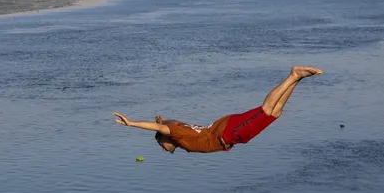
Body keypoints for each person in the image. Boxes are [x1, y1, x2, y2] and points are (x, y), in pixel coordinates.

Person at [112, 66, 322, 154]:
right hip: (229, 132)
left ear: (163, 138)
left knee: (266, 109)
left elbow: (159, 128)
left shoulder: (176, 134)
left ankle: (293, 75)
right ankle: (298, 79)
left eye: (160, 144)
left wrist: (131, 123)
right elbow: (165, 125)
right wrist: (163, 120)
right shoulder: (180, 132)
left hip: (228, 132)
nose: (162, 149)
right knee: (275, 114)